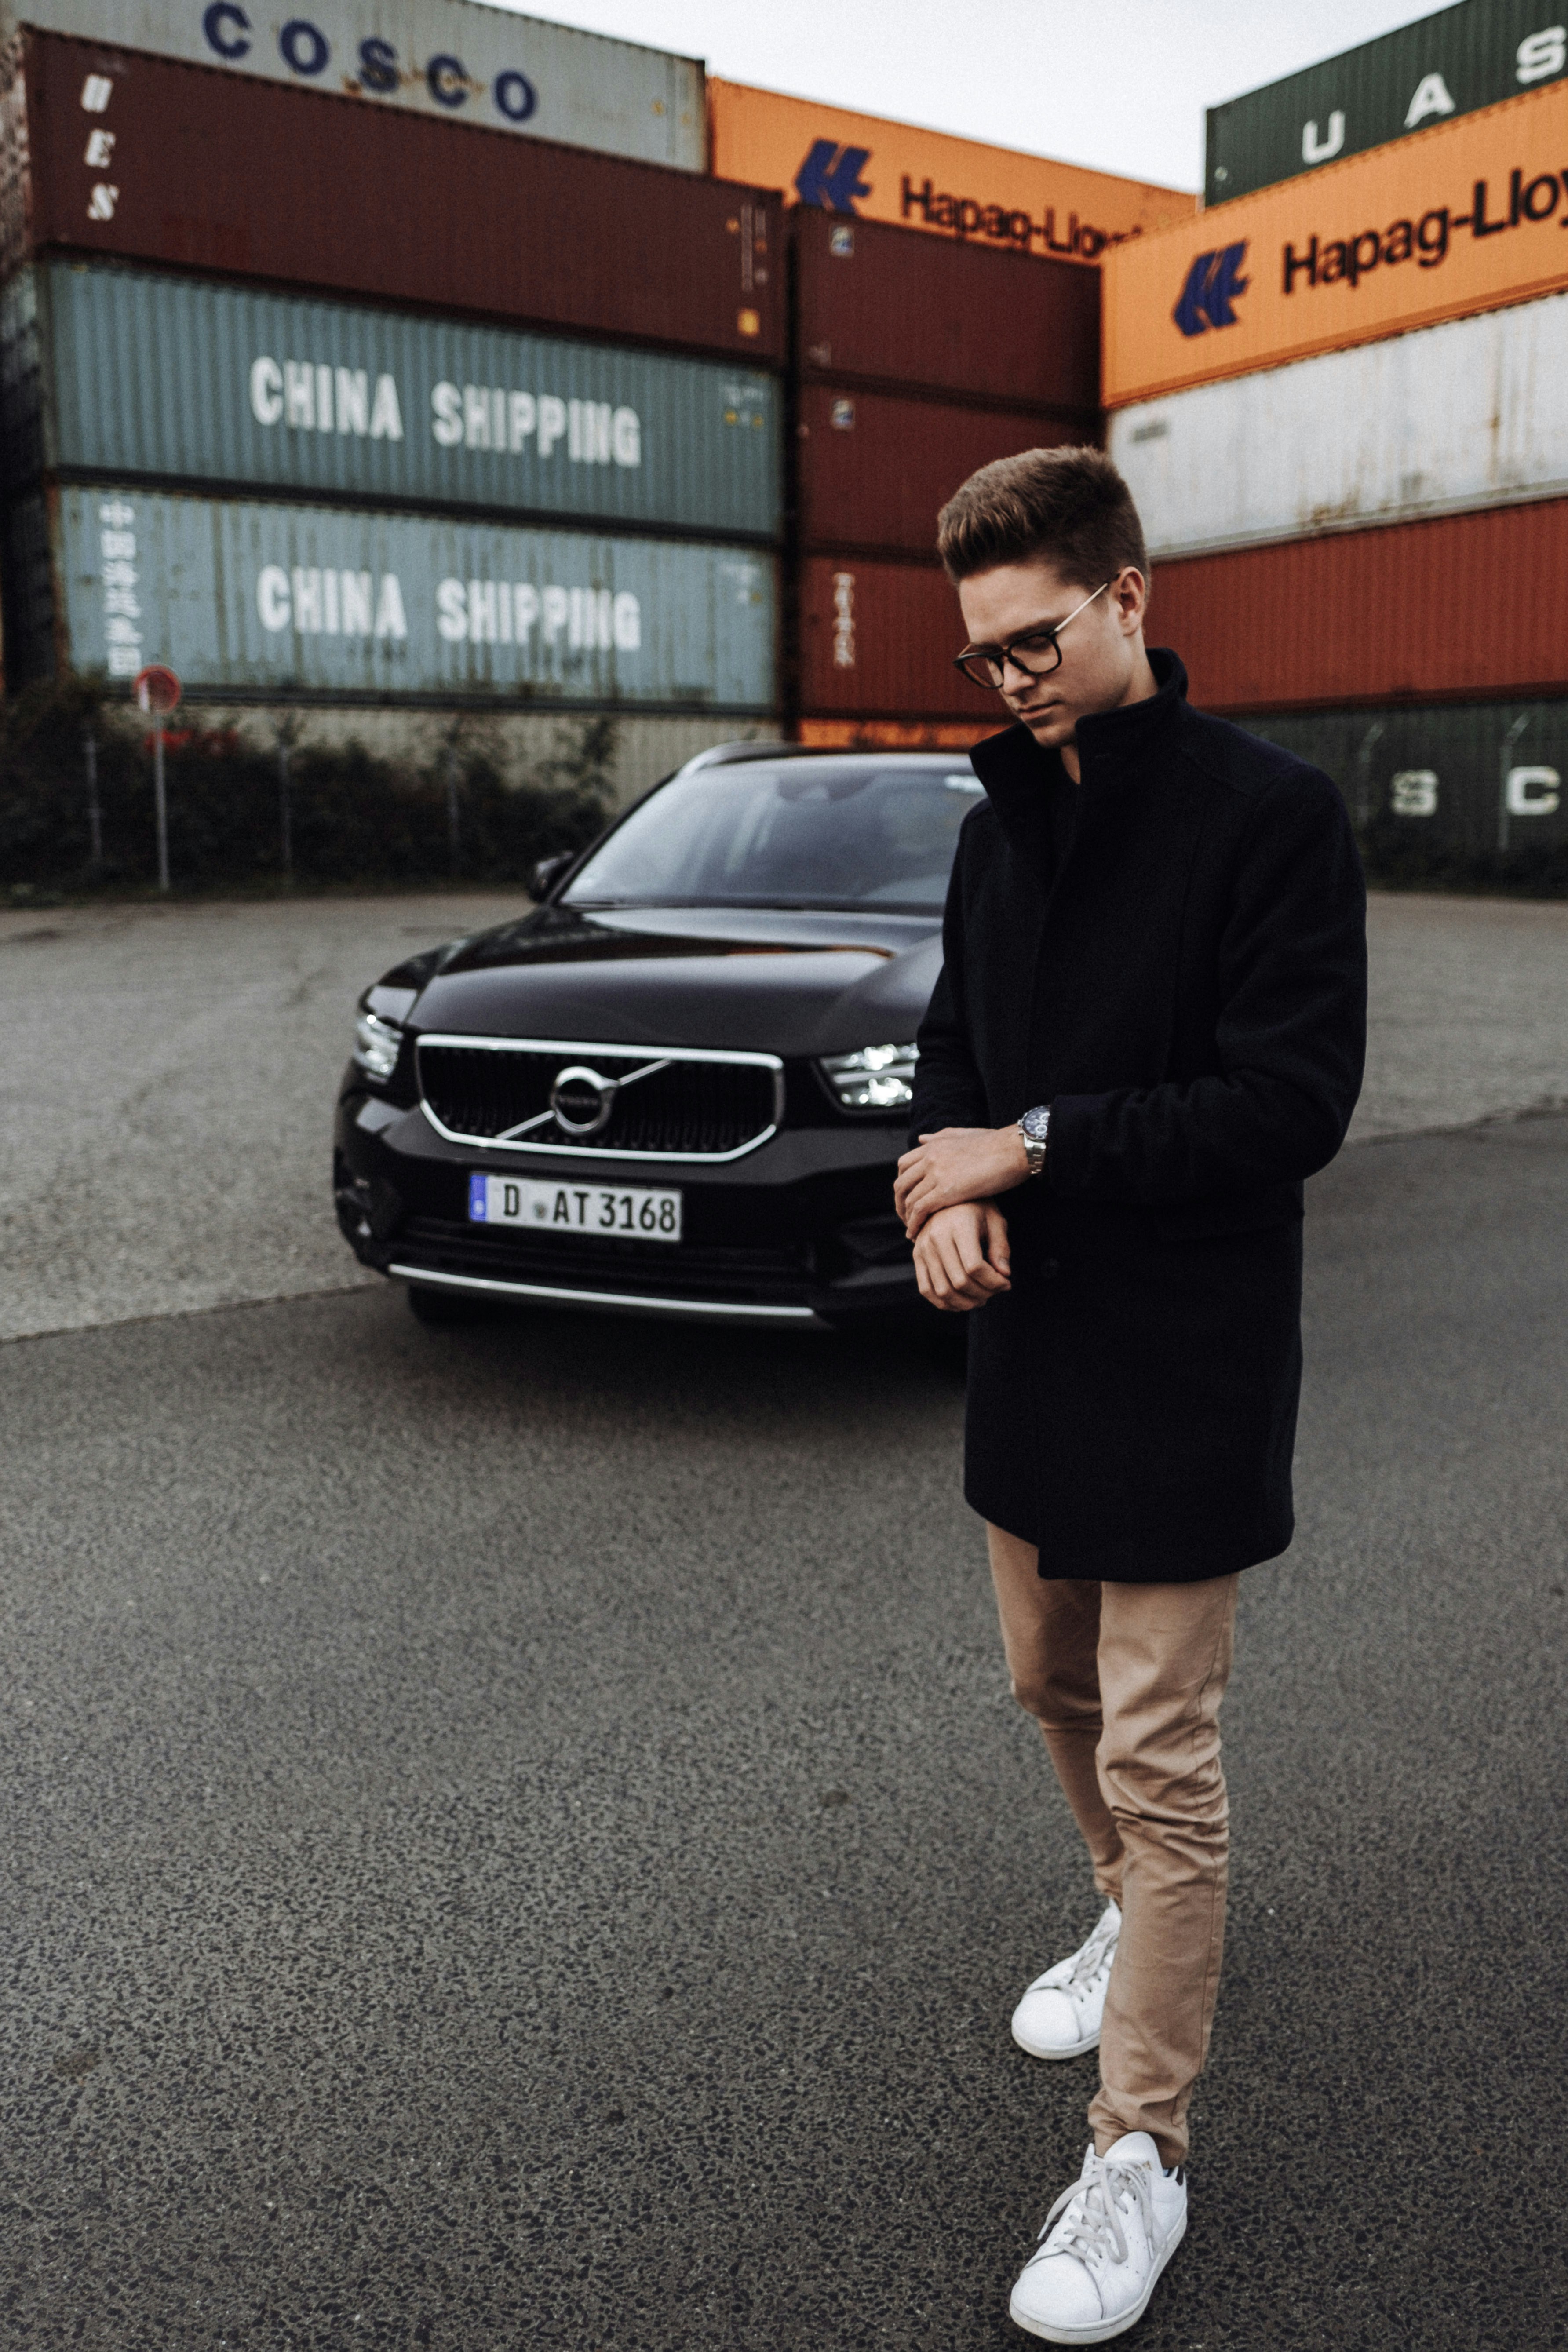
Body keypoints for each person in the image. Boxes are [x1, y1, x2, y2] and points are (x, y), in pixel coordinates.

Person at [894, 447, 1366, 2343]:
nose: (1008, 681)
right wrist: (941, 1198)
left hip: (1183, 1354)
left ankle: (1140, 2151)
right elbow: (948, 1057)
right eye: (981, 655)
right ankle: (1120, 1914)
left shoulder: (1268, 815)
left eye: (1034, 643)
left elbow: (1289, 1105)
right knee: (1048, 1687)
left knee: (1165, 1760)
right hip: (1029, 1345)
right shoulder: (995, 824)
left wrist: (1028, 1148)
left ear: (1128, 599)